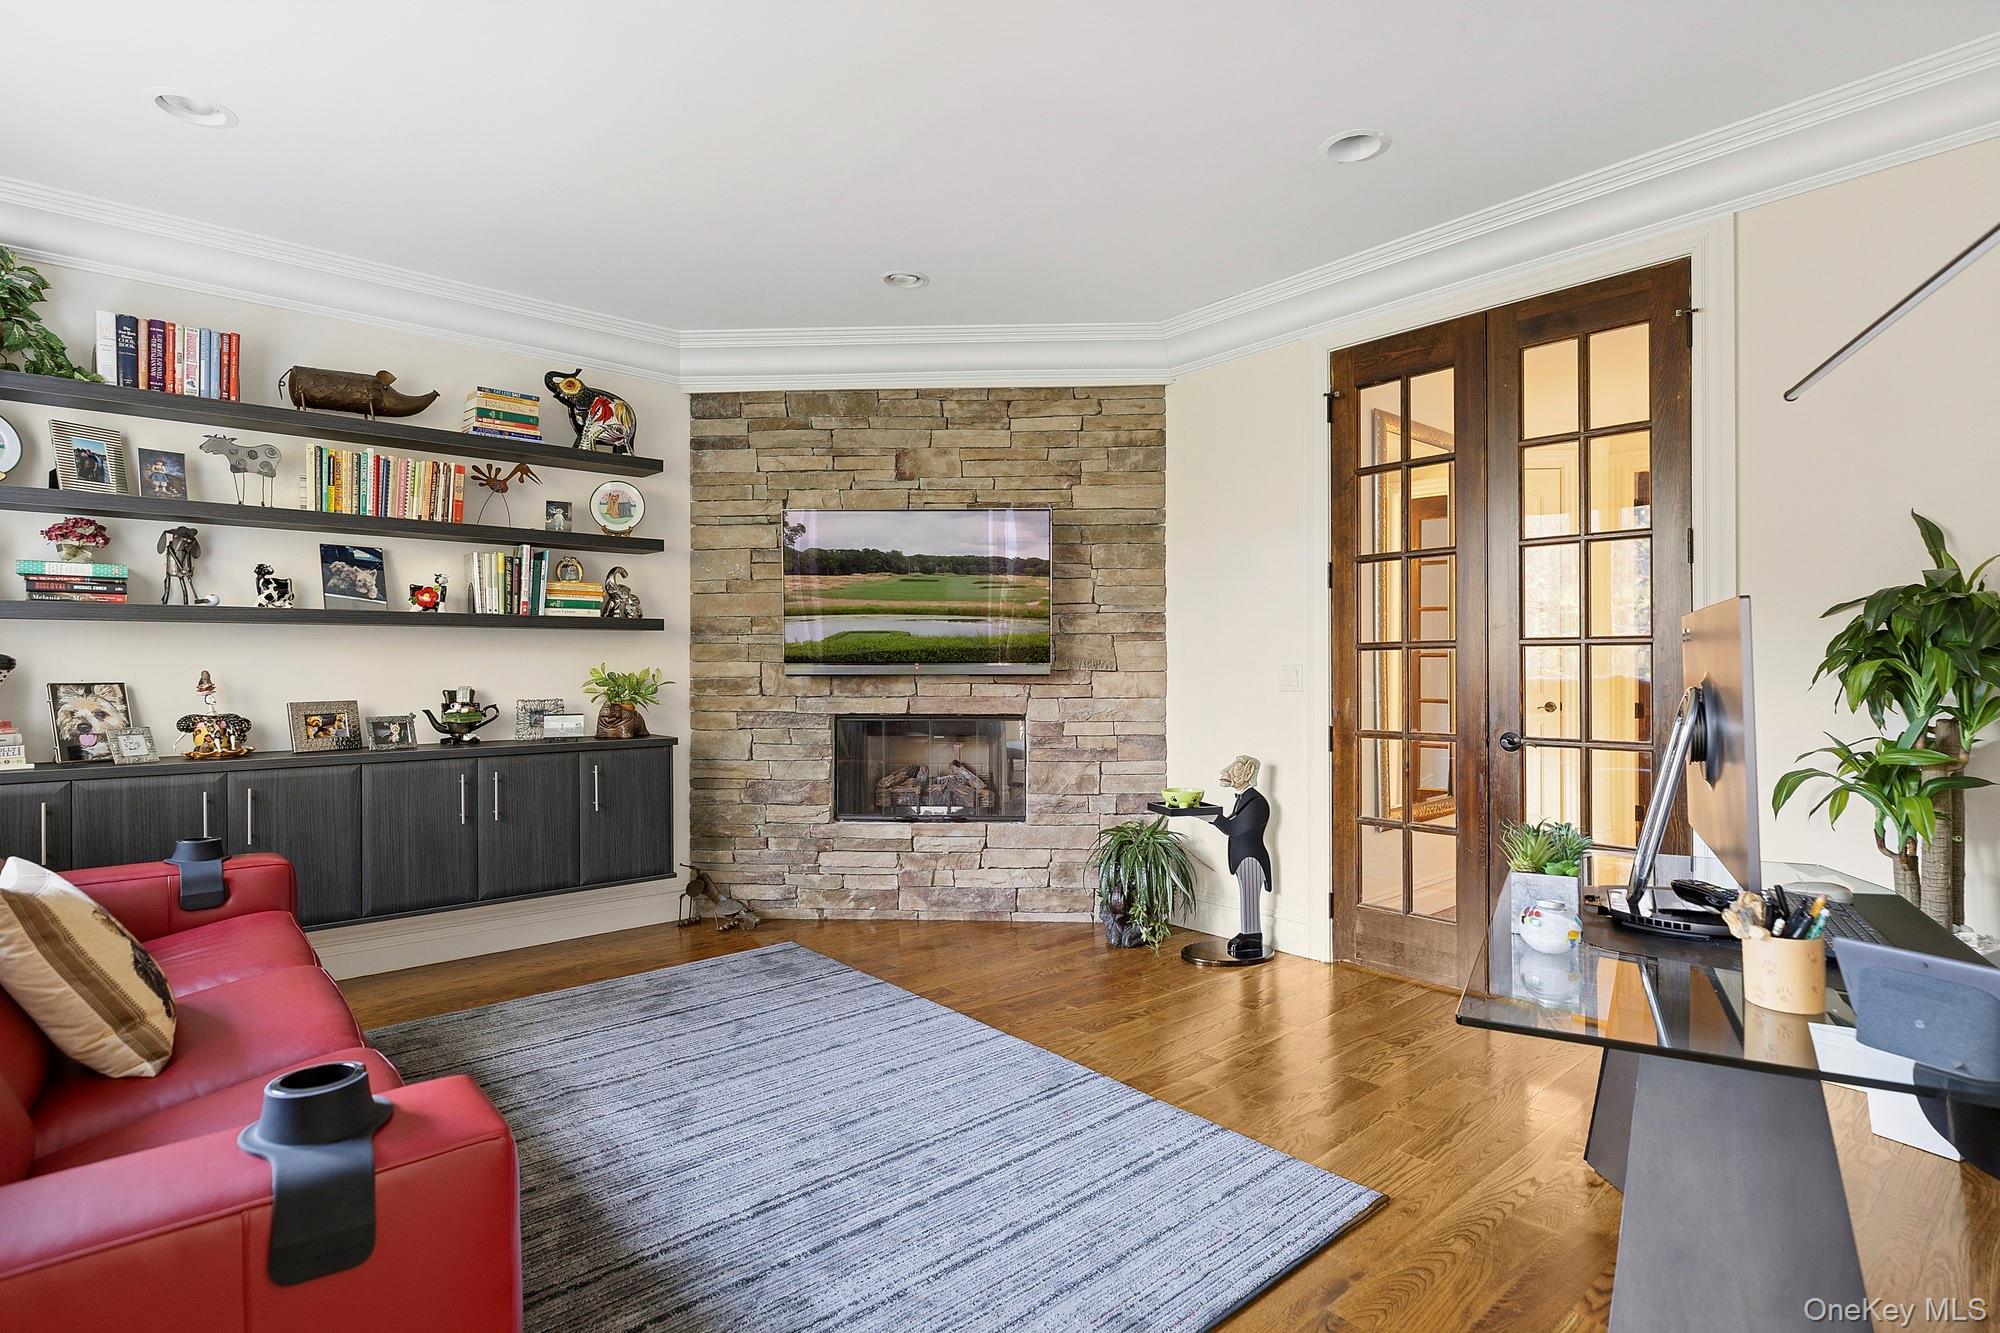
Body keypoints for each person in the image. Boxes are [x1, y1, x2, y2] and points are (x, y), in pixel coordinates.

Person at [1206, 754, 1272, 959]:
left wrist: (1207, 815)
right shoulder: (1244, 799)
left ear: (1249, 772)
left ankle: (1252, 936)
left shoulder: (1257, 803)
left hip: (1251, 859)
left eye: (1237, 766)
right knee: (1246, 897)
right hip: (1242, 858)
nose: (1227, 770)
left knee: (1250, 897)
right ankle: (1247, 932)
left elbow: (1233, 828)